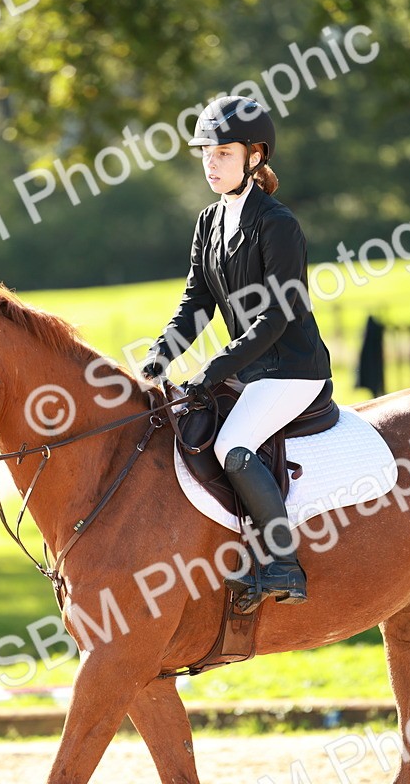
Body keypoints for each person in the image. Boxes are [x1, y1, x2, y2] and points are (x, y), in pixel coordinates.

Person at [141, 95, 333, 613]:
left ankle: (283, 564)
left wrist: (210, 372)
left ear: (255, 156)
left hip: (292, 370)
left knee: (234, 446)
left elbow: (276, 317)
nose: (211, 163)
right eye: (206, 153)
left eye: (223, 153)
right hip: (248, 370)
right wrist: (156, 359)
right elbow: (195, 305)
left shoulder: (278, 224)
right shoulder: (208, 222)